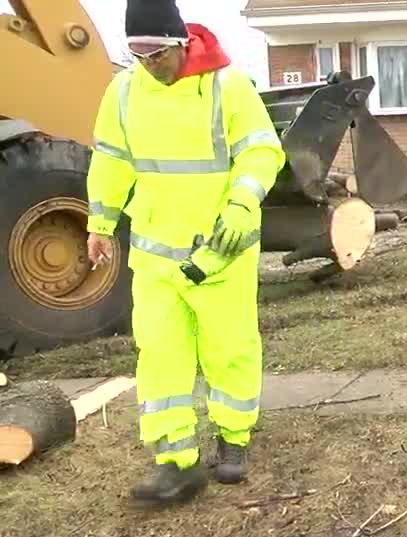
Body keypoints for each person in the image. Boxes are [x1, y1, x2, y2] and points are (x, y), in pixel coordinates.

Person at [85, 0, 286, 506]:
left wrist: (242, 204)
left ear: (179, 43)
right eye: (138, 54)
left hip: (221, 247)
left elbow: (263, 151)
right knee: (159, 353)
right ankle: (175, 460)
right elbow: (111, 162)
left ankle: (233, 438)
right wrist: (100, 225)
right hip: (155, 253)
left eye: (156, 53)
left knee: (229, 347)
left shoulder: (227, 85)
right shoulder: (124, 92)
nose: (149, 64)